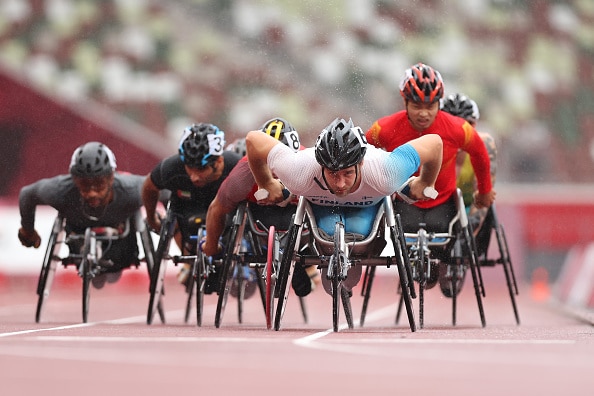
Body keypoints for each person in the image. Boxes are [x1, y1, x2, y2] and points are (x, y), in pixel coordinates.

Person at [246, 117, 443, 296]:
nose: (340, 184)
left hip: (366, 207)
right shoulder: (300, 171)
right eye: (333, 174)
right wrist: (266, 183)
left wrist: (426, 182)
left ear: (362, 163)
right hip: (323, 207)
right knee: (328, 233)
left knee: (358, 232)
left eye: (348, 173)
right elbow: (253, 139)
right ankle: (331, 261)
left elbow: (435, 143)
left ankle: (351, 263)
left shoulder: (386, 172)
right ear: (320, 165)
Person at [365, 62, 496, 291]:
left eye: (431, 106)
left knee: (448, 239)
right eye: (416, 105)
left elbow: (480, 153)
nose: (424, 113)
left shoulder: (458, 128)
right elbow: (362, 154)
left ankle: (444, 262)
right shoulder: (383, 129)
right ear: (404, 102)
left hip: (444, 205)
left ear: (439, 103)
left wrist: (484, 191)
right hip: (404, 204)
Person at [202, 117, 316, 297]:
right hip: (260, 214)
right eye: (270, 161)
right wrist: (212, 247)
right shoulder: (243, 174)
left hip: (298, 213)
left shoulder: (309, 163)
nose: (277, 168)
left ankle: (301, 263)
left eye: (284, 160)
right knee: (235, 215)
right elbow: (217, 208)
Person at [18, 141, 145, 289]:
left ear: (111, 177)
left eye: (99, 184)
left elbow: (165, 190)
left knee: (111, 276)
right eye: (84, 184)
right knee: (98, 281)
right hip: (78, 235)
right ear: (74, 179)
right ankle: (88, 253)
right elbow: (27, 194)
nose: (92, 192)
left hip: (122, 240)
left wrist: (159, 220)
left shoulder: (132, 189)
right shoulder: (60, 190)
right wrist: (28, 230)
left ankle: (105, 255)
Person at [142, 122, 241, 292]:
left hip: (224, 215)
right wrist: (152, 218)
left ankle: (218, 260)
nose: (194, 177)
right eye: (189, 168)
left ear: (218, 161)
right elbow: (149, 187)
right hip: (188, 210)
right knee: (175, 214)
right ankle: (188, 259)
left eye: (201, 169)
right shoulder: (172, 167)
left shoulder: (235, 166)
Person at [441, 92, 497, 234]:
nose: (459, 132)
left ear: (475, 124)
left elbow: (483, 196)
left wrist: (469, 231)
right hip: (437, 208)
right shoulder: (430, 144)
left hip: (468, 207)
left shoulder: (485, 144)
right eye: (452, 124)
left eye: (466, 125)